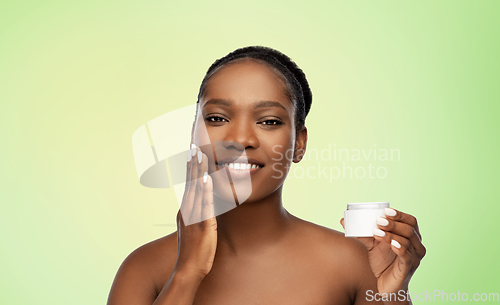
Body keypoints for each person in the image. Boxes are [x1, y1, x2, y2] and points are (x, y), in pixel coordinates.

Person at [107, 46, 426, 305]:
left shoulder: (354, 263)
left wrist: (392, 297)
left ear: (299, 144)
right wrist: (187, 273)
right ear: (194, 136)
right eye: (217, 118)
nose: (241, 138)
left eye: (269, 121)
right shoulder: (143, 269)